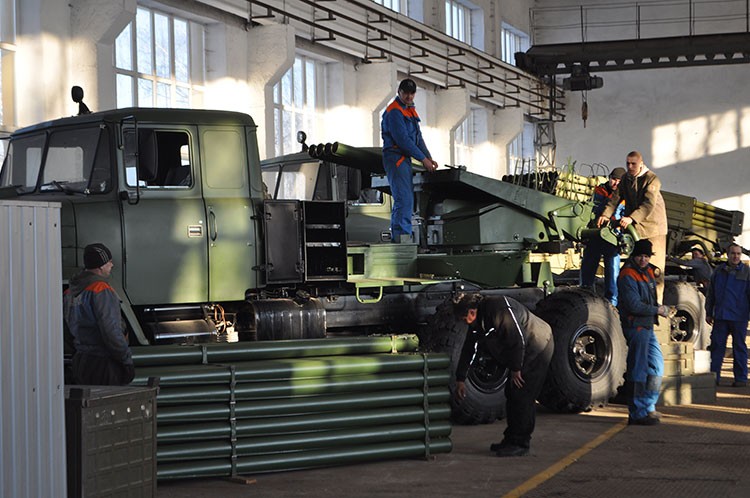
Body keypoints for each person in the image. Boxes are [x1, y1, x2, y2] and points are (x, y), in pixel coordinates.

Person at [453, 294, 554, 456]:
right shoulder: (477, 322)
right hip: (521, 350)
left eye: (464, 318)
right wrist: (461, 379)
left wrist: (516, 369)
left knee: (522, 394)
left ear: (472, 312)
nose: (465, 322)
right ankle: (511, 439)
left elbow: (517, 338)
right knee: (512, 393)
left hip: (537, 345)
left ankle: (521, 443)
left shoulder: (498, 308)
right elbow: (469, 349)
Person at [598, 151, 668, 302]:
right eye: (628, 163)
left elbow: (648, 204)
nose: (630, 166)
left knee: (654, 273)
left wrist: (631, 218)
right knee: (632, 270)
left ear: (641, 163)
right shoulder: (626, 179)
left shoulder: (652, 179)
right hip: (636, 230)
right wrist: (605, 215)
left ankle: (656, 310)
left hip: (653, 229)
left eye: (633, 163)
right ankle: (633, 306)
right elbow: (615, 198)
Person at [63, 243, 134, 386]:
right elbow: (111, 330)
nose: (112, 265)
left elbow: (65, 331)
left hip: (81, 362)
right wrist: (125, 359)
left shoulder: (69, 293)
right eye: (109, 262)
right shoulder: (101, 289)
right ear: (101, 266)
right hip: (103, 364)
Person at [617, 239, 671, 425]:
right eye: (640, 256)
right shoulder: (627, 275)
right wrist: (657, 310)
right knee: (638, 370)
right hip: (636, 327)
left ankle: (648, 406)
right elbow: (633, 305)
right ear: (633, 256)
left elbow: (647, 300)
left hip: (647, 326)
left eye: (646, 256)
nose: (643, 260)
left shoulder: (647, 272)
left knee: (656, 366)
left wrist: (659, 309)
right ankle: (637, 413)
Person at [381, 78, 439, 243]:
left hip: (404, 158)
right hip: (395, 157)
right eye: (405, 93)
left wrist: (428, 157)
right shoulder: (394, 111)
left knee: (406, 199)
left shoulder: (409, 110)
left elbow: (418, 138)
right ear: (399, 92)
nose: (408, 96)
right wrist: (423, 160)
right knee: (403, 199)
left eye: (411, 93)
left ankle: (402, 238)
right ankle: (401, 240)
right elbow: (403, 140)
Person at [705, 243, 750, 387]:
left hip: (739, 317)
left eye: (738, 254)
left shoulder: (747, 273)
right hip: (721, 317)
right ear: (727, 255)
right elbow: (710, 294)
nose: (735, 256)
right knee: (717, 347)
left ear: (741, 255)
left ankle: (741, 379)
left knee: (739, 348)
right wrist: (708, 312)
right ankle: (714, 377)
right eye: (733, 253)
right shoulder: (718, 272)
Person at [580, 166, 626, 305]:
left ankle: (612, 305)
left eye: (619, 181)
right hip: (595, 236)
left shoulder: (624, 197)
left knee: (612, 275)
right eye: (613, 179)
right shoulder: (599, 191)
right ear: (609, 178)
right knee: (587, 269)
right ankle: (585, 298)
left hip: (612, 239)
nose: (615, 183)